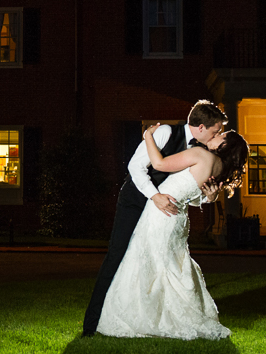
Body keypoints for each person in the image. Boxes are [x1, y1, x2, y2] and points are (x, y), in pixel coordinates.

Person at [82, 100, 227, 337]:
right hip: (136, 202)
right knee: (117, 256)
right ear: (201, 127)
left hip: (160, 213)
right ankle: (91, 324)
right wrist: (155, 196)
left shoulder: (200, 152)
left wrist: (208, 198)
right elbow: (135, 167)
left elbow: (184, 192)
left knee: (149, 264)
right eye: (216, 130)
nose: (217, 135)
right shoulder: (164, 132)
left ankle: (143, 317)